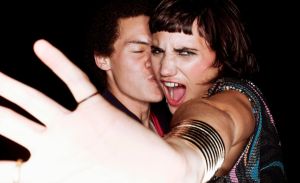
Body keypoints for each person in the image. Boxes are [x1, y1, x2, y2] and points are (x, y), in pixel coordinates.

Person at [0, 0, 286, 182]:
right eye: (156, 50)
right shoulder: (92, 137)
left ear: (221, 58)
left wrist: (185, 159)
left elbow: (216, 121)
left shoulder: (236, 96)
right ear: (103, 59)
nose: (163, 68)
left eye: (186, 52)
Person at [84, 0, 169, 136]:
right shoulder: (97, 131)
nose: (154, 62)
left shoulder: (166, 118)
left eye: (156, 50)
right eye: (138, 50)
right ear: (103, 59)